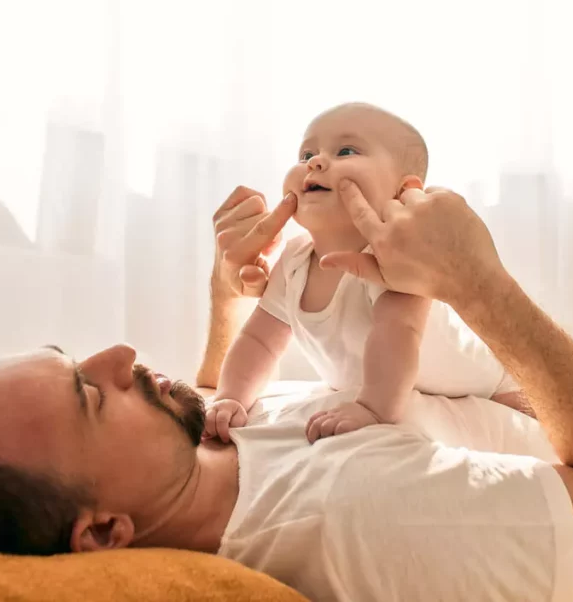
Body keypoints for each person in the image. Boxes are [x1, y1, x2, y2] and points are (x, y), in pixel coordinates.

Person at [0, 182, 573, 601]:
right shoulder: (372, 519)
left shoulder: (207, 455)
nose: (123, 353)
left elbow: (216, 389)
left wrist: (229, 293)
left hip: (522, 429)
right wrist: (476, 281)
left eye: (79, 358)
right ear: (101, 532)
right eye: (93, 395)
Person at [205, 103, 527, 446]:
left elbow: (398, 333)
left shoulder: (399, 261)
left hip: (492, 384)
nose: (315, 162)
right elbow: (259, 341)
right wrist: (232, 397)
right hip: (401, 383)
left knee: (537, 429)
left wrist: (374, 409)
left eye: (345, 151)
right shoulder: (294, 260)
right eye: (305, 155)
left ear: (404, 191)